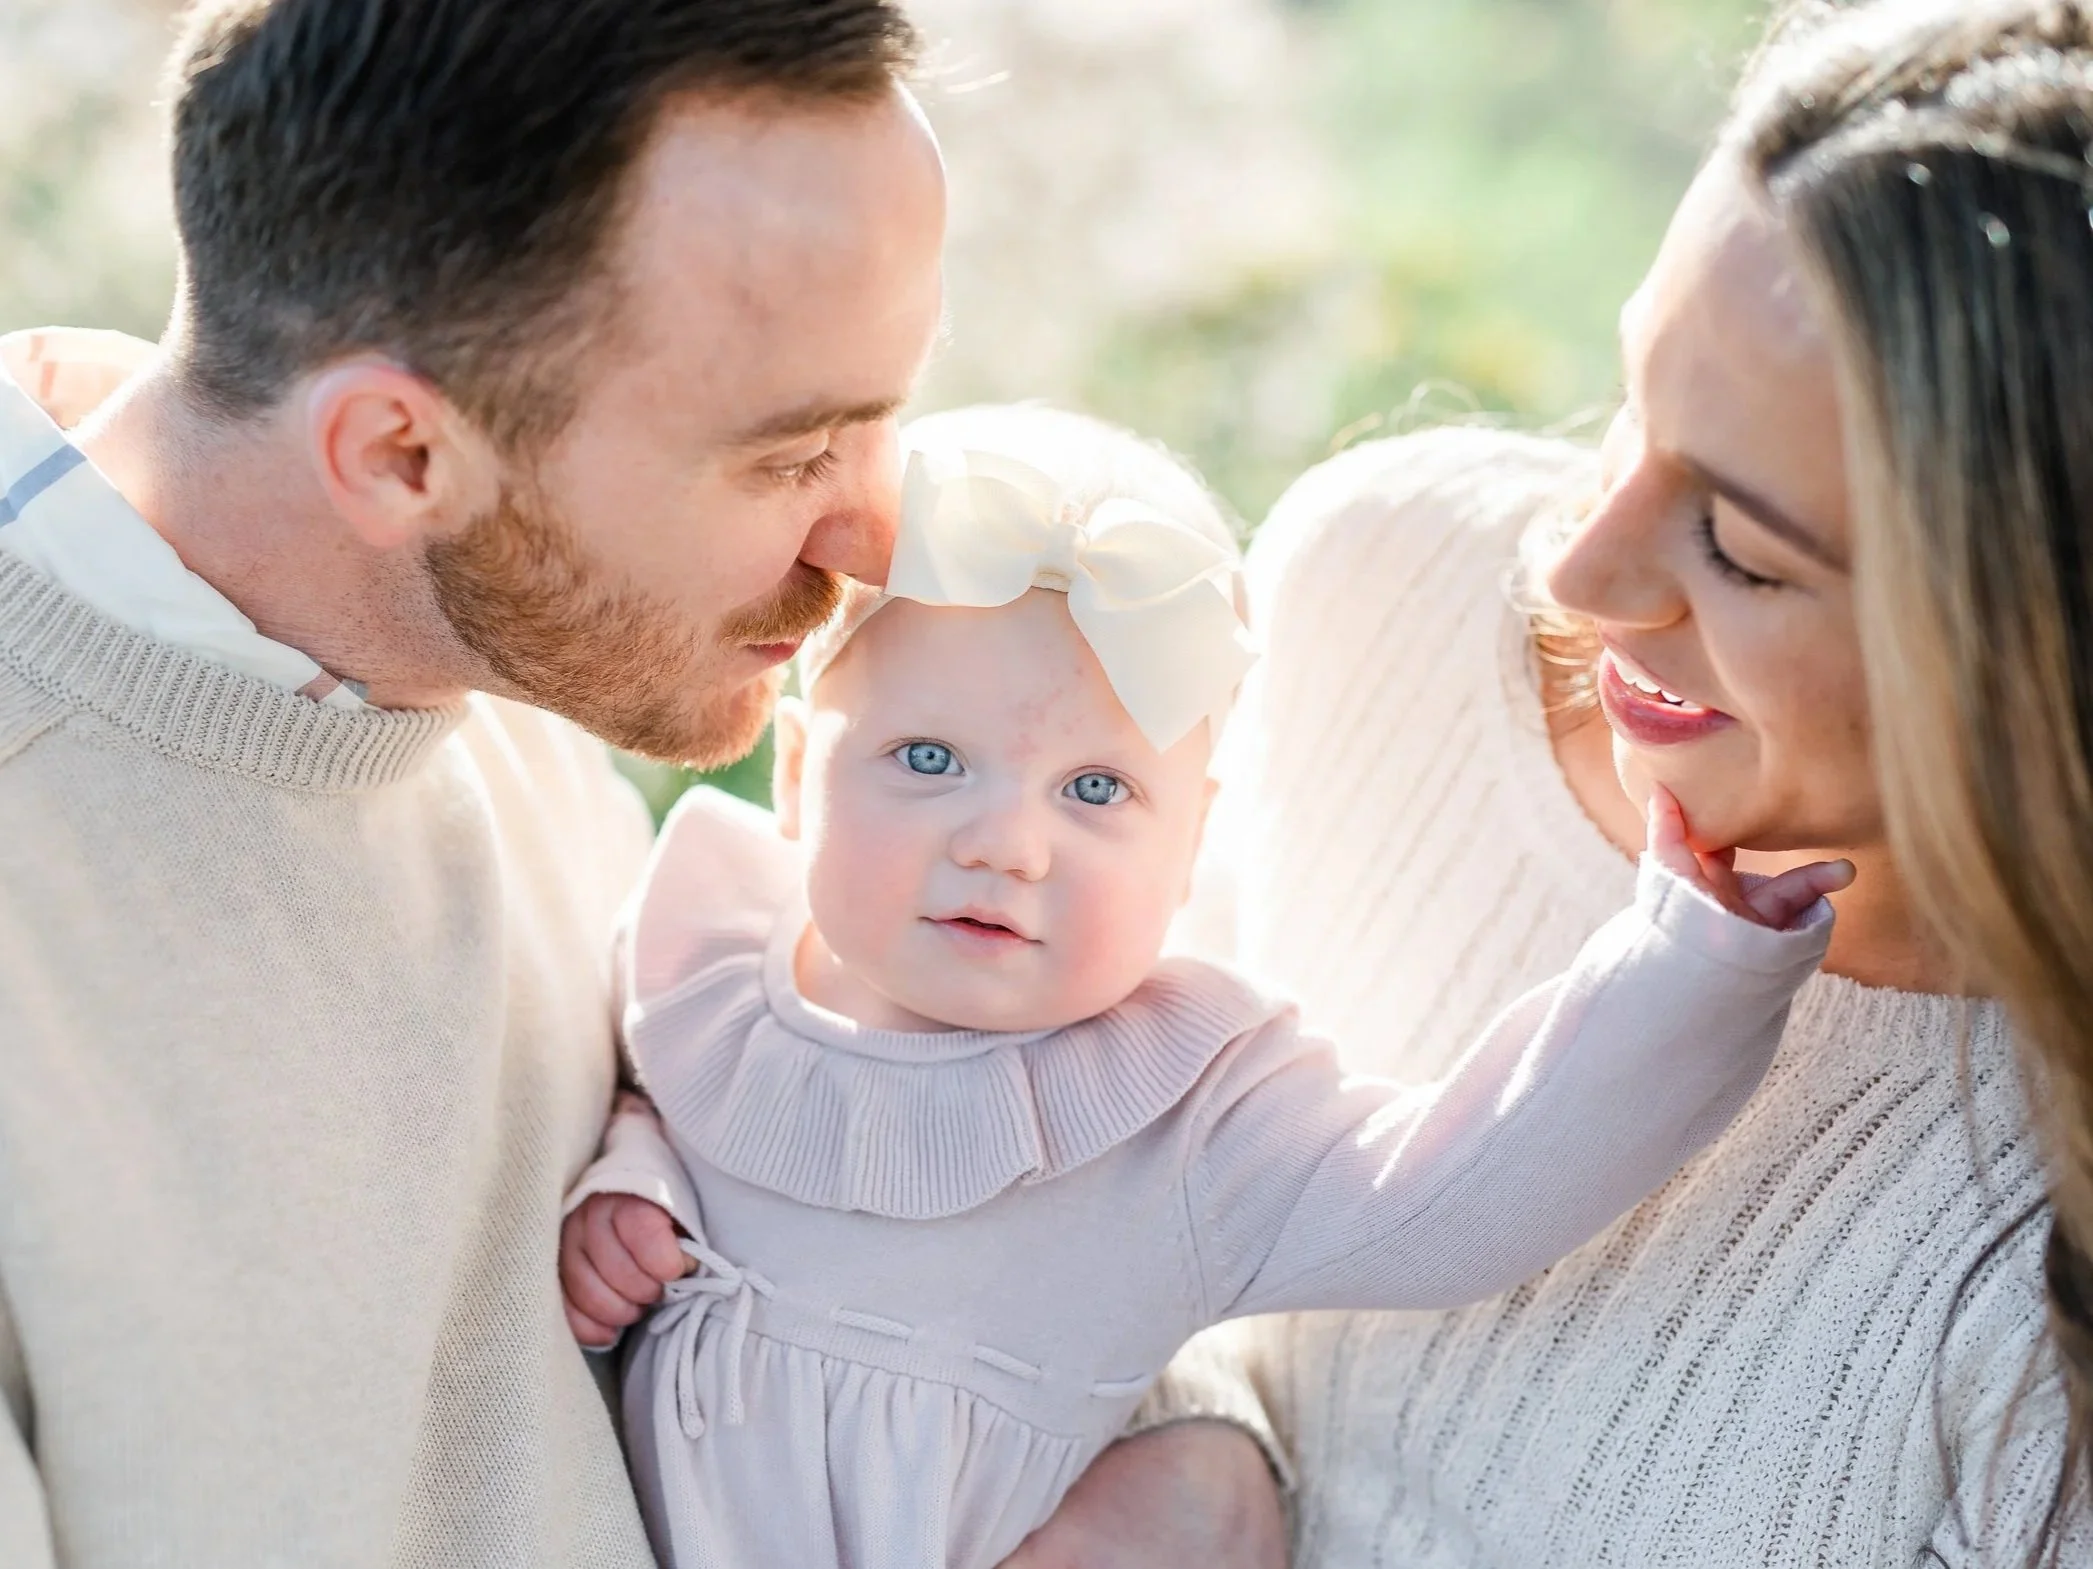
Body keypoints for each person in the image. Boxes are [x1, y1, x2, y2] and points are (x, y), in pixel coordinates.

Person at [1019, 0, 2093, 1564]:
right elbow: (1052, 1132)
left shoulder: (2032, 1267)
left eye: (1738, 551)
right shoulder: (1380, 590)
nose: (1583, 571)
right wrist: (1197, 1443)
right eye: (1629, 412)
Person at [551, 405, 1847, 1569]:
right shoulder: (701, 971)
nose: (1008, 842)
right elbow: (638, 1104)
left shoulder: (1180, 1117)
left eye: (1096, 790)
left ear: (1191, 849)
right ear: (794, 775)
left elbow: (1453, 1197)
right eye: (930, 757)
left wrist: (1686, 971)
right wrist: (632, 1179)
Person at [0, 1, 943, 1564]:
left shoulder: (506, 683)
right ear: (397, 456)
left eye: (883, 421)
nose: (873, 538)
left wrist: (1193, 1464)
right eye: (790, 456)